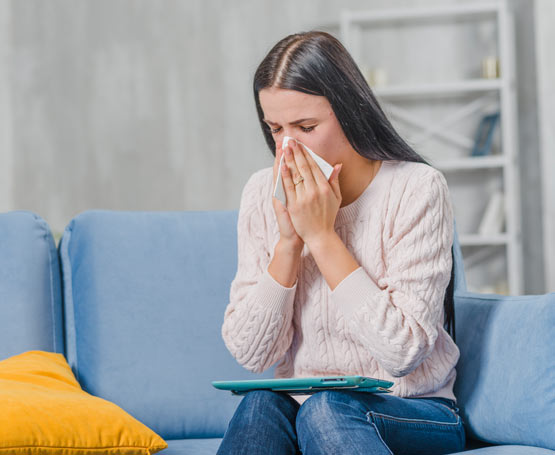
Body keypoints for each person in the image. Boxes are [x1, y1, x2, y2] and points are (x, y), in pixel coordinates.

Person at [217, 30, 466, 455]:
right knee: (260, 404)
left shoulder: (416, 188)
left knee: (327, 409)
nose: (287, 146)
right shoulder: (262, 192)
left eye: (306, 126)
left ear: (349, 111)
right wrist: (289, 244)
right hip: (305, 404)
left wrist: (322, 236)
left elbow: (403, 351)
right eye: (275, 129)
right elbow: (252, 355)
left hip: (414, 409)